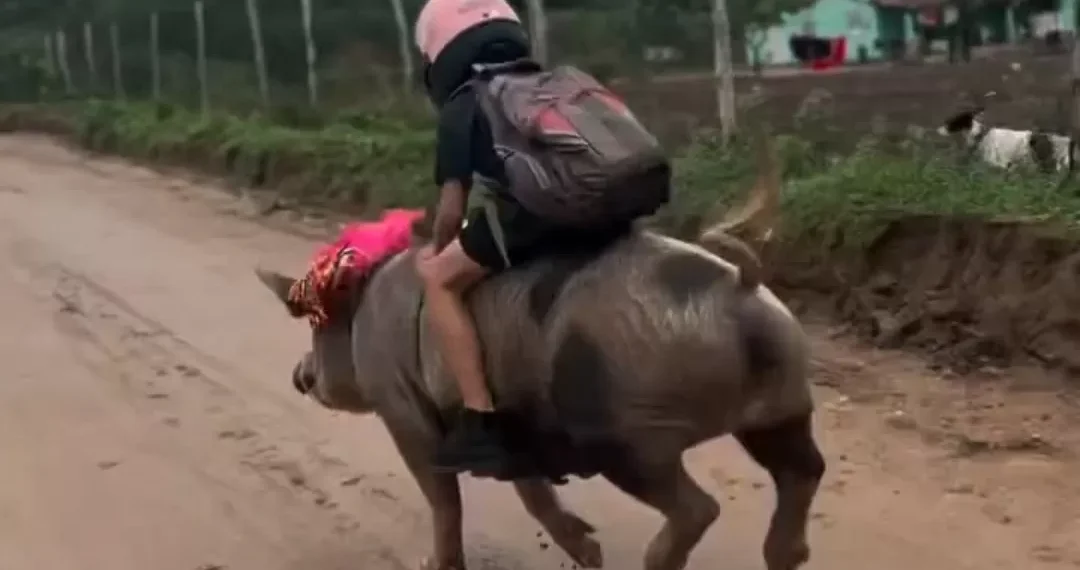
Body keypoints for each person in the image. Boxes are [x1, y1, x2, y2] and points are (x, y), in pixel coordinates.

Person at [413, 0, 670, 479]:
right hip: (611, 207)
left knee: (438, 280)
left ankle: (480, 419)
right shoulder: (558, 82)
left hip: (536, 217)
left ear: (440, 56)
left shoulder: (464, 104)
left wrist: (436, 247)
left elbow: (451, 210)